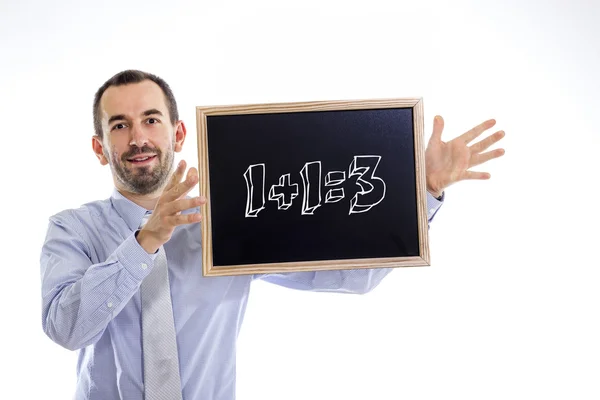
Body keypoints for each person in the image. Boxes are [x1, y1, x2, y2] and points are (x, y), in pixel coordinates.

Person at [40, 70, 505, 400]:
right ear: (101, 148)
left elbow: (350, 277)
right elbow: (66, 329)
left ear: (178, 133)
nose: (137, 137)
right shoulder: (71, 229)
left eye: (151, 119)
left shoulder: (231, 222)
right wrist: (145, 242)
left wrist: (422, 191)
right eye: (119, 126)